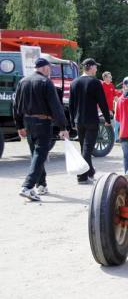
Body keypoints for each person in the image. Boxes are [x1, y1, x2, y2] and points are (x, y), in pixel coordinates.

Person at [14, 58, 69, 201]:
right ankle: (27, 187)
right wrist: (63, 127)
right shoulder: (46, 82)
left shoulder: (23, 81)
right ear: (44, 68)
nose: (49, 71)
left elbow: (16, 105)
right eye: (49, 69)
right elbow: (56, 106)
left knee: (36, 154)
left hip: (28, 121)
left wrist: (19, 125)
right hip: (43, 122)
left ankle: (41, 184)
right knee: (40, 154)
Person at [69, 58, 111, 184]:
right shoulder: (95, 82)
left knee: (84, 147)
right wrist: (107, 119)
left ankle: (90, 171)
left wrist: (72, 122)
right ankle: (81, 176)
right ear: (91, 67)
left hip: (79, 120)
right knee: (87, 149)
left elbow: (71, 104)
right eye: (95, 67)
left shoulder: (74, 82)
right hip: (91, 120)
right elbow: (102, 102)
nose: (97, 69)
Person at [101, 71, 121, 142]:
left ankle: (109, 138)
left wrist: (120, 104)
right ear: (105, 78)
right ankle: (103, 138)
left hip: (110, 109)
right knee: (104, 123)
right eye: (109, 77)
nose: (111, 78)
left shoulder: (111, 85)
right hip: (102, 108)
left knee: (111, 123)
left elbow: (115, 97)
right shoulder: (102, 85)